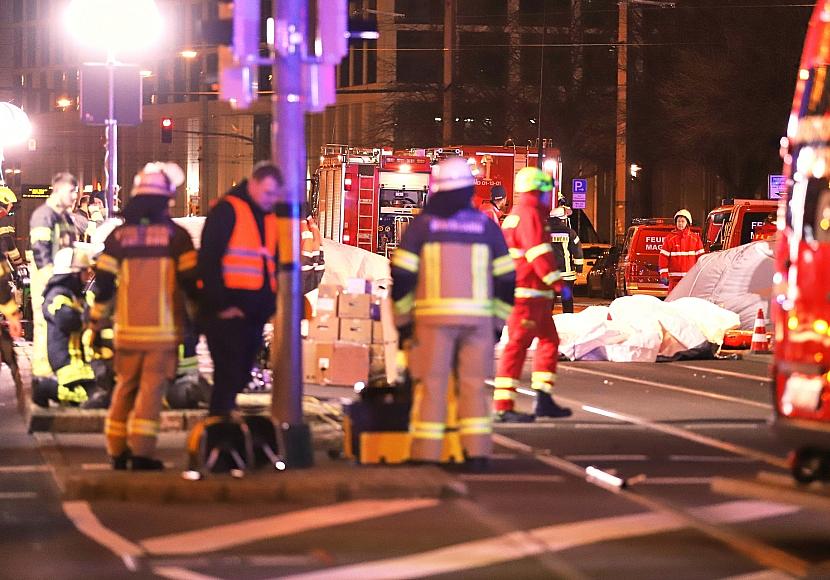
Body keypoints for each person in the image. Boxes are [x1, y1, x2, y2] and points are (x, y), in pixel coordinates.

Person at [391, 157, 515, 468]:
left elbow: (403, 278)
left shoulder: (422, 226)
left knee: (431, 386)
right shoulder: (486, 227)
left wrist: (403, 323)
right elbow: (506, 278)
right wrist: (498, 322)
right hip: (478, 323)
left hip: (432, 322)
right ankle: (476, 455)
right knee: (473, 387)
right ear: (470, 191)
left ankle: (425, 457)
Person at [89, 162, 199, 470]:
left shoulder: (118, 238)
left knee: (124, 388)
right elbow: (192, 285)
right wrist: (200, 321)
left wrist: (96, 323)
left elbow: (104, 286)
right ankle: (141, 453)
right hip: (161, 334)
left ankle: (116, 450)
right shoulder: (177, 237)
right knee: (151, 392)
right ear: (165, 200)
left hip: (126, 332)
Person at [198, 161, 283, 417]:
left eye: (275, 195)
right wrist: (221, 306)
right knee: (228, 375)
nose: (271, 199)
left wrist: (269, 305)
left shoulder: (267, 217)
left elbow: (270, 263)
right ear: (253, 184)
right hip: (227, 313)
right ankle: (219, 433)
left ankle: (224, 429)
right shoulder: (228, 210)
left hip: (252, 314)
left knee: (240, 373)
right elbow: (209, 261)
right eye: (268, 193)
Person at [493, 167, 573, 422]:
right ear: (536, 190)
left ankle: (543, 397)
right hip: (527, 294)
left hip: (532, 294)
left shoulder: (518, 214)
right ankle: (503, 406)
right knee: (517, 345)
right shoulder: (529, 215)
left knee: (549, 341)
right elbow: (538, 255)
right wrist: (559, 284)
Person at [30, 172, 79, 382]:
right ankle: (42, 374)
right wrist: (50, 278)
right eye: (72, 191)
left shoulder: (66, 217)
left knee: (60, 322)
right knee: (44, 321)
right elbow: (40, 249)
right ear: (58, 190)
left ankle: (59, 368)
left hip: (62, 278)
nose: (75, 196)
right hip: (47, 278)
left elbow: (71, 246)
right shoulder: (44, 215)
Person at [43, 247, 95, 406]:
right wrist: (89, 318)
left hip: (80, 365)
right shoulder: (56, 295)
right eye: (85, 272)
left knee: (103, 395)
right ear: (73, 273)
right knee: (87, 399)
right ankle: (46, 388)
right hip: (68, 366)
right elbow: (69, 321)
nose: (88, 276)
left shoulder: (75, 295)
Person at [548, 205, 583, 313]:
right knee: (567, 300)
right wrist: (579, 268)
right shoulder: (570, 232)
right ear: (563, 219)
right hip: (566, 274)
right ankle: (568, 320)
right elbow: (577, 251)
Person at [658, 209, 704, 292]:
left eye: (683, 221)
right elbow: (663, 258)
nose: (680, 224)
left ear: (687, 223)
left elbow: (701, 259)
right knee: (673, 302)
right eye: (678, 221)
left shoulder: (695, 239)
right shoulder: (670, 239)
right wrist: (663, 274)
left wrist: (701, 273)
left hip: (690, 279)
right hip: (674, 280)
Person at [0, 185, 24, 270]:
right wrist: (19, 263)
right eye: (10, 203)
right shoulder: (3, 218)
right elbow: (8, 241)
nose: (11, 205)